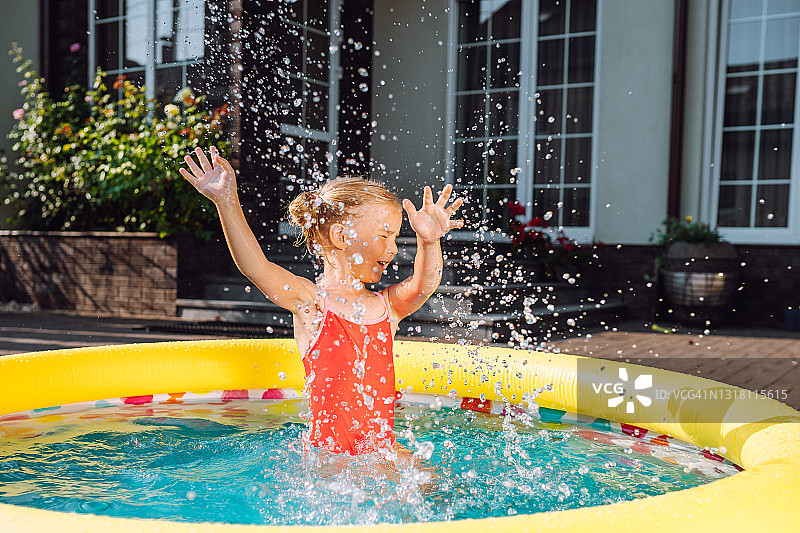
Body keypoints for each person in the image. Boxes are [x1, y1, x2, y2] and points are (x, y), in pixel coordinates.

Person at [180, 147, 464, 462]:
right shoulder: (312, 303)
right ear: (341, 237)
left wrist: (429, 241)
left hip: (381, 453)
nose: (393, 249)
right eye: (385, 236)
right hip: (332, 460)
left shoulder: (386, 307)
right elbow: (256, 267)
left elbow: (425, 284)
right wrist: (227, 202)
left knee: (432, 481)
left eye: (396, 238)